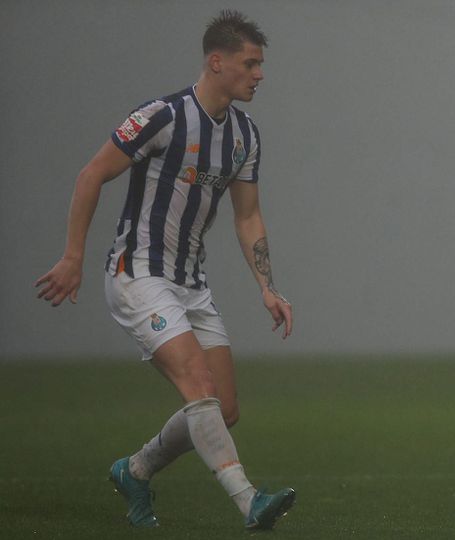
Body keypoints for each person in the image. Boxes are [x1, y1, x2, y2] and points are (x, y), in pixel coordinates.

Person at [34, 10, 296, 530]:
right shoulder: (162, 116)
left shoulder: (244, 134)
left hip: (190, 282)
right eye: (251, 63)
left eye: (261, 64)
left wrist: (267, 286)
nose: (260, 74)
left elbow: (248, 216)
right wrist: (72, 256)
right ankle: (248, 501)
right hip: (139, 275)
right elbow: (91, 175)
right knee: (197, 385)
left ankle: (135, 470)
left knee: (224, 408)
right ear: (216, 62)